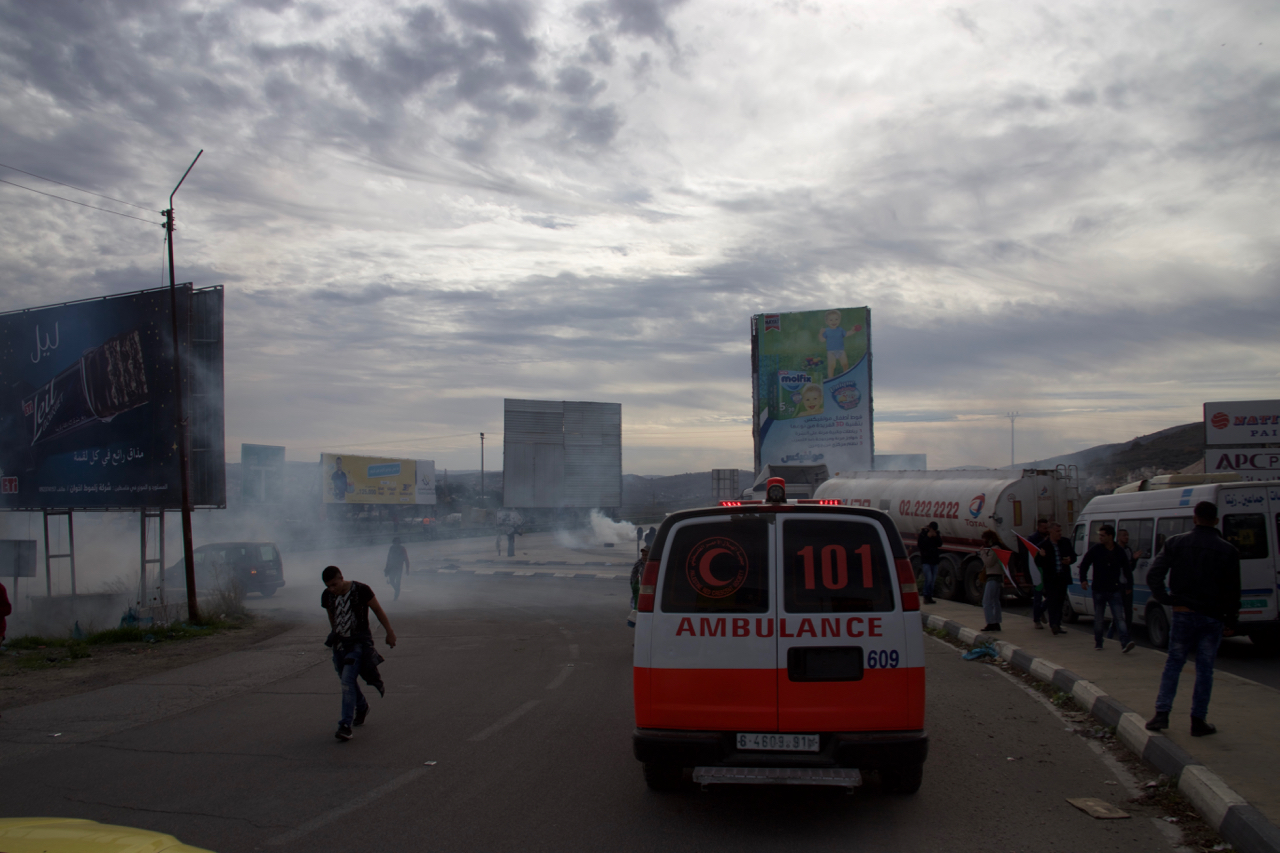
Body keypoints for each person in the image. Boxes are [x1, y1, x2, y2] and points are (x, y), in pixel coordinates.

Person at [1144, 501, 1241, 737]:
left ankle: (1162, 714)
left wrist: (1165, 598)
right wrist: (1231, 619)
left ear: (1194, 518)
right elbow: (1232, 590)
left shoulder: (1176, 543)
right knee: (1205, 669)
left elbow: (1154, 574)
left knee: (1174, 664)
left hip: (1183, 613)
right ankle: (1198, 720)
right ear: (1216, 521)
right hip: (1212, 617)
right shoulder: (1228, 550)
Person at [321, 565, 397, 742]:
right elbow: (331, 615)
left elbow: (377, 610)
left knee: (347, 681)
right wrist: (335, 634)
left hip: (358, 643)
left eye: (334, 584)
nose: (332, 589)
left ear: (341, 578)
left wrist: (390, 633)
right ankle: (362, 706)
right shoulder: (327, 596)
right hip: (340, 644)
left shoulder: (361, 590)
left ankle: (345, 725)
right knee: (344, 678)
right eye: (328, 586)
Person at [1080, 525, 1136, 653]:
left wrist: (1129, 585)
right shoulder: (1096, 550)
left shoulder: (1119, 551)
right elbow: (1084, 564)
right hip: (1099, 590)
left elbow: (1127, 569)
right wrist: (1083, 579)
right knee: (1099, 619)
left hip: (1114, 589)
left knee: (1119, 617)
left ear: (1110, 536)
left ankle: (1125, 643)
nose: (1100, 538)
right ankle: (1099, 642)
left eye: (1103, 535)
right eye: (1099, 535)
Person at [1035, 522, 1076, 635]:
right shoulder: (1044, 545)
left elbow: (1073, 556)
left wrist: (1069, 560)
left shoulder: (1065, 542)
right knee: (1052, 601)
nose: (1060, 534)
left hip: (1062, 577)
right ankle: (1053, 624)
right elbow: (1038, 562)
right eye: (1057, 531)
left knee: (1061, 601)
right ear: (1050, 532)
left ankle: (1058, 624)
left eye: (1060, 531)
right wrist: (1041, 556)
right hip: (1051, 578)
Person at [1108, 528, 1142, 641]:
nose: (1126, 537)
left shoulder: (1128, 550)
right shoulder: (1114, 550)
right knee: (1118, 611)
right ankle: (1112, 631)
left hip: (1127, 584)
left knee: (1128, 611)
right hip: (1117, 585)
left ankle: (1127, 634)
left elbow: (1130, 568)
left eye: (1127, 535)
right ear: (1118, 537)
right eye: (1124, 535)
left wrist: (1134, 560)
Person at [978, 531, 1007, 631]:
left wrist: (982, 553)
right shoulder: (997, 547)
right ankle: (996, 622)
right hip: (996, 577)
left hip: (993, 577)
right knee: (995, 601)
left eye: (984, 539)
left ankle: (990, 623)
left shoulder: (995, 549)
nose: (984, 541)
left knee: (986, 601)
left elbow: (988, 563)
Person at [1028, 519, 1051, 628]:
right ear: (1038, 527)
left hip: (1047, 569)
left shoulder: (1049, 537)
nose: (1046, 530)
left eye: (1047, 528)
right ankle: (1036, 620)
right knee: (1037, 596)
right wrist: (1045, 541)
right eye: (1044, 528)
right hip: (1037, 570)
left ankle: (1041, 609)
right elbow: (1033, 551)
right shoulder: (1033, 538)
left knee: (1051, 595)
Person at [819, 309, 851, 379]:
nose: (834, 321)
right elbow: (822, 340)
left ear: (839, 320)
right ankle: (831, 378)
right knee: (831, 366)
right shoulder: (826, 331)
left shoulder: (840, 329)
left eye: (836, 319)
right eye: (831, 320)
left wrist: (853, 330)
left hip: (841, 350)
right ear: (826, 322)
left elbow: (846, 334)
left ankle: (846, 376)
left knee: (845, 364)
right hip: (831, 351)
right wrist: (821, 333)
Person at [916, 522, 942, 604]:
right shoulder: (923, 534)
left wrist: (936, 536)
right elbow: (920, 545)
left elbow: (940, 544)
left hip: (934, 560)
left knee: (933, 580)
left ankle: (930, 596)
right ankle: (926, 596)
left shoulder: (936, 534)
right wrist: (928, 537)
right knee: (929, 578)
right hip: (926, 560)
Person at [384, 537, 409, 601]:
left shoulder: (402, 549)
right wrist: (386, 568)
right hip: (391, 567)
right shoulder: (391, 548)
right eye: (395, 542)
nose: (396, 544)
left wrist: (407, 569)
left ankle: (396, 596)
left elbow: (406, 559)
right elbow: (388, 558)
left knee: (398, 582)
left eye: (397, 542)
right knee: (391, 581)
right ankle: (397, 590)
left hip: (399, 568)